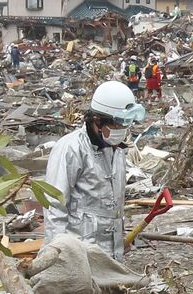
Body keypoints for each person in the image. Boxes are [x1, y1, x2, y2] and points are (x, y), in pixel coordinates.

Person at [43, 80, 145, 262]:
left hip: (110, 252)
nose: (122, 130)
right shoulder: (71, 148)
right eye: (117, 125)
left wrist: (119, 239)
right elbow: (54, 207)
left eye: (125, 125)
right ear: (97, 121)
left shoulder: (117, 150)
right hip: (79, 251)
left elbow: (114, 205)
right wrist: (57, 257)